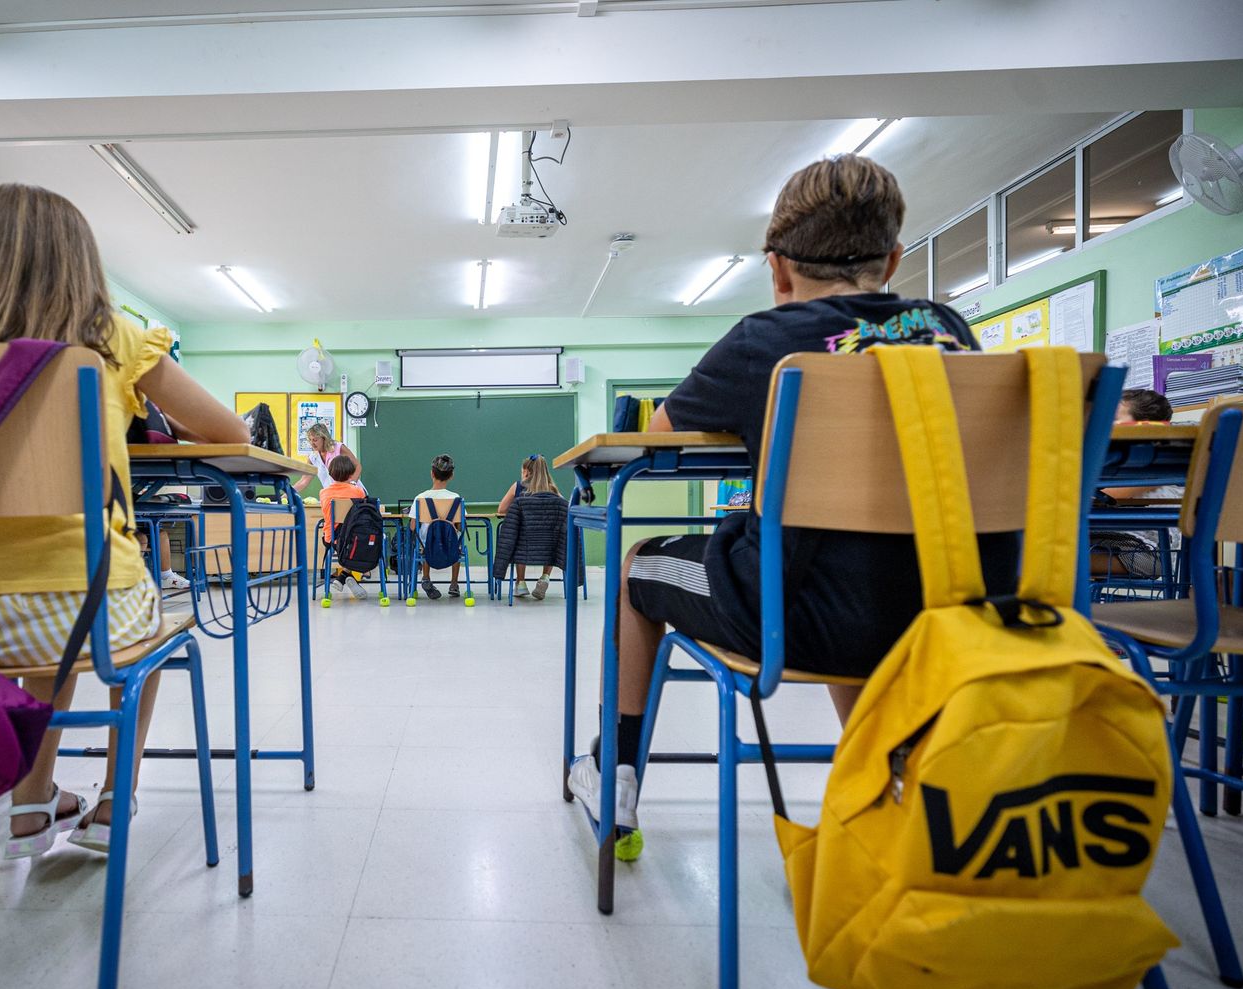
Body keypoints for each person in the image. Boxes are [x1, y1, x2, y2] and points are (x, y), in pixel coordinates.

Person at [566, 154, 1012, 844]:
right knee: (857, 555)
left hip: (799, 620)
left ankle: (615, 776)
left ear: (776, 269)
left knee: (633, 568)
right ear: (893, 261)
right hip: (953, 609)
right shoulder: (949, 329)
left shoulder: (764, 343)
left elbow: (654, 445)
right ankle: (886, 778)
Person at [0, 183, 248, 857]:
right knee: (148, 614)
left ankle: (31, 801)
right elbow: (229, 431)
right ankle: (112, 798)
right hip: (86, 604)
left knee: (52, 619)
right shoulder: (110, 336)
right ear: (80, 260)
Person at [1091, 388, 1180, 579]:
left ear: (1144, 427)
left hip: (1145, 555)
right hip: (1104, 542)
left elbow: (1110, 496)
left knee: (1041, 560)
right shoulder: (1111, 461)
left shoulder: (1153, 466)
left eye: (1113, 417)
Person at [495, 454, 563, 599]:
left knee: (519, 532)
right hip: (548, 547)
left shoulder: (519, 487)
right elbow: (565, 509)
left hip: (525, 546)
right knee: (553, 535)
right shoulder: (552, 489)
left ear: (526, 471)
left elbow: (501, 510)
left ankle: (520, 583)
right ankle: (545, 577)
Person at [410, 453, 463, 599]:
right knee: (458, 540)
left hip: (427, 543)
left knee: (427, 539)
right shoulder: (456, 498)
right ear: (451, 475)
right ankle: (454, 584)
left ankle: (426, 577)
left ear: (432, 473)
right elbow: (460, 526)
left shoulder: (420, 498)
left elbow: (413, 526)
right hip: (450, 542)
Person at [319, 453, 369, 599]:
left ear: (331, 474)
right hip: (354, 538)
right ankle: (346, 575)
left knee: (348, 545)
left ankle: (343, 576)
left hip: (332, 538)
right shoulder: (358, 492)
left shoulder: (324, 493)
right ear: (351, 473)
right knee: (365, 542)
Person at [293, 422, 363, 494]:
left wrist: (352, 484)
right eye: (310, 440)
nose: (312, 443)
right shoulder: (313, 457)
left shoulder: (338, 448)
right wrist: (286, 495)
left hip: (354, 493)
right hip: (333, 496)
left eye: (315, 440)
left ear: (324, 439)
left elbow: (358, 466)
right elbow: (303, 481)